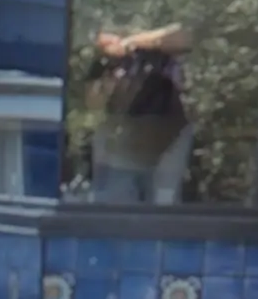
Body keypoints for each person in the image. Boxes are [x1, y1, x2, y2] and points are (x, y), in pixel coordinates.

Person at [83, 20, 193, 203]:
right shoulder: (107, 64)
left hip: (168, 144)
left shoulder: (157, 55)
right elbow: (92, 103)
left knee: (163, 207)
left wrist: (130, 43)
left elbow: (183, 36)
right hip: (122, 152)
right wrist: (107, 70)